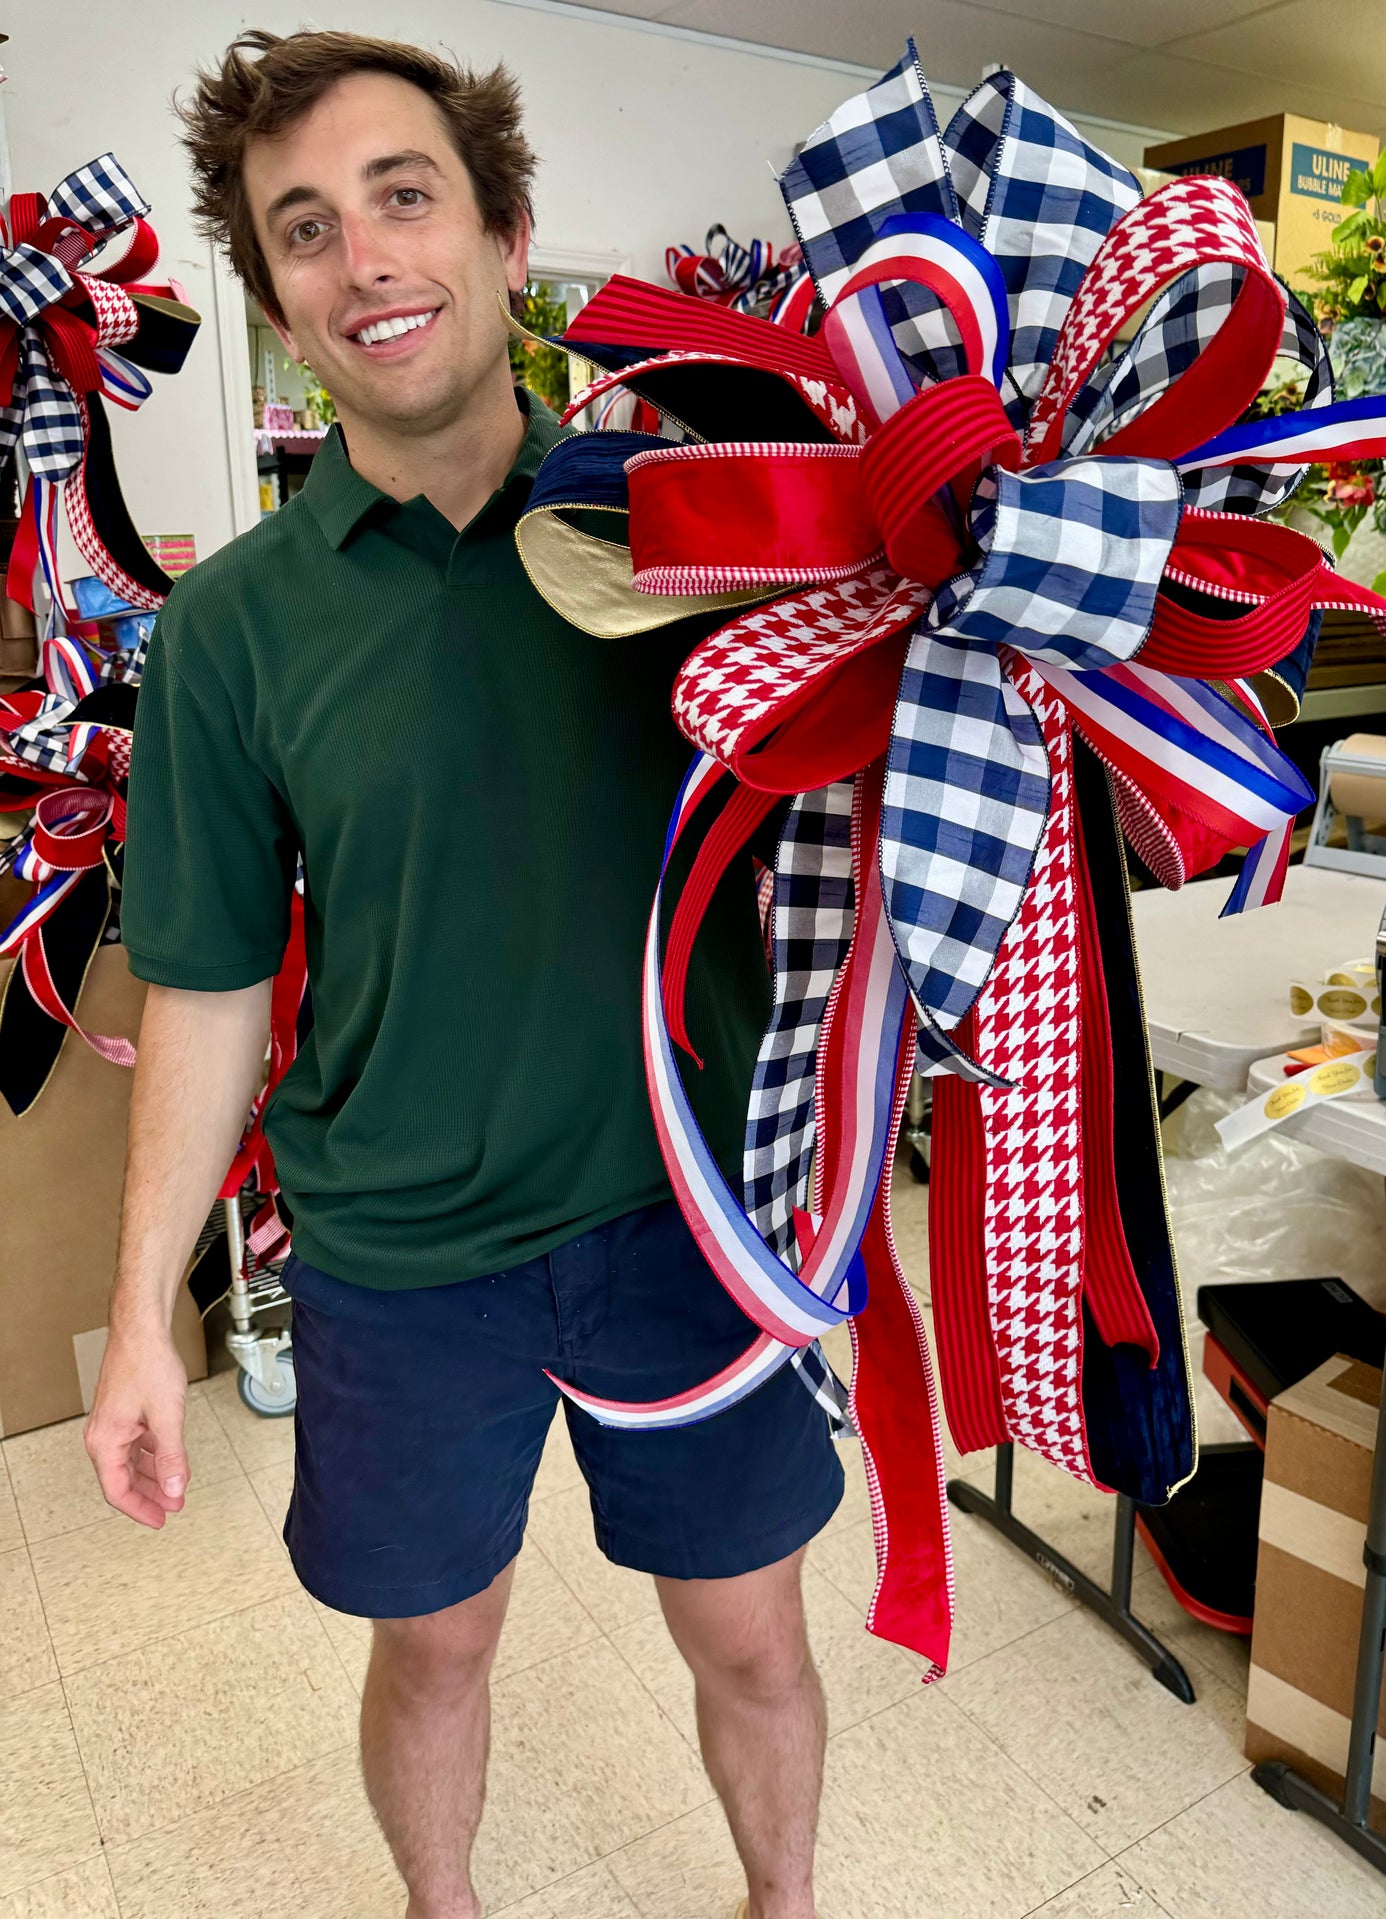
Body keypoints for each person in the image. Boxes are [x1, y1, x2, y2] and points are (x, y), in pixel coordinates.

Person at [82, 30, 842, 1919]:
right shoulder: (234, 632)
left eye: (405, 196)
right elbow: (206, 983)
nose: (367, 261)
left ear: (509, 234)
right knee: (434, 1648)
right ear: (274, 300)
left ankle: (787, 1904)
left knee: (749, 1640)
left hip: (693, 1222)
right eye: (306, 231)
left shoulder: (700, 538)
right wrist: (140, 1329)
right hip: (399, 1253)